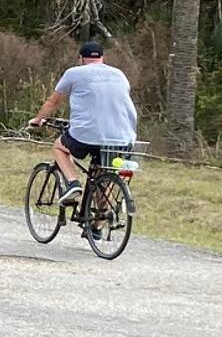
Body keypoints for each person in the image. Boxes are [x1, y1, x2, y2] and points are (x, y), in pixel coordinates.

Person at [29, 39, 139, 229]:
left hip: (88, 134)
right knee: (103, 172)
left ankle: (72, 184)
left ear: (81, 59)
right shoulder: (119, 74)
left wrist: (38, 120)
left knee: (59, 146)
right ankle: (96, 227)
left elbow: (53, 103)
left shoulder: (74, 73)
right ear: (103, 58)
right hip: (124, 136)